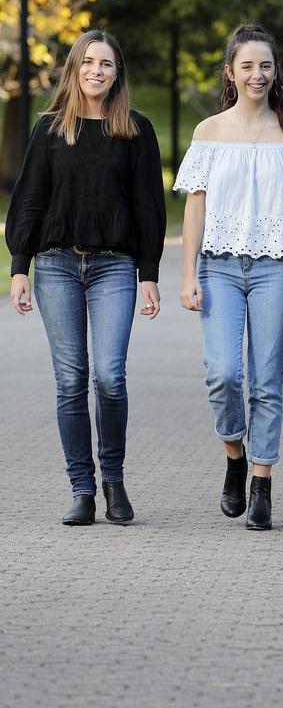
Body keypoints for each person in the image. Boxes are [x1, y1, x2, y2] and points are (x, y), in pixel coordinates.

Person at [6, 29, 166, 526]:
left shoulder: (135, 130)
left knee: (109, 377)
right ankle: (82, 489)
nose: (97, 71)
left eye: (107, 64)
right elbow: (29, 199)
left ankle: (113, 480)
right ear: (75, 69)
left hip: (114, 267)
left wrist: (149, 273)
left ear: (118, 74)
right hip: (55, 266)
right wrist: (19, 267)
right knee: (71, 381)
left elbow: (149, 207)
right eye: (88, 62)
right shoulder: (51, 128)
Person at [174, 24, 283, 531]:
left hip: (277, 268)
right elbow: (194, 209)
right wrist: (187, 274)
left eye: (266, 66)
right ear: (230, 72)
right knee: (223, 375)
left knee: (267, 381)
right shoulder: (208, 132)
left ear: (276, 74)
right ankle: (234, 453)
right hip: (219, 267)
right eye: (248, 66)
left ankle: (262, 484)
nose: (258, 74)